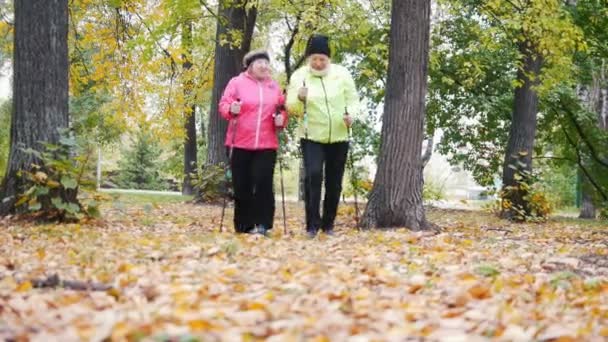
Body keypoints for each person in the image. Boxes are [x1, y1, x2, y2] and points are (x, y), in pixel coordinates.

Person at [286, 34, 361, 238]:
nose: (318, 63)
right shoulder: (299, 76)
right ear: (309, 58)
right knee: (314, 176)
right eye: (314, 59)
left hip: (339, 135)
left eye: (322, 59)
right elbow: (291, 107)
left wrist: (351, 115)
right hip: (311, 136)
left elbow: (353, 100)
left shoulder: (342, 74)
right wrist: (300, 99)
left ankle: (328, 225)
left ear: (329, 59)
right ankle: (312, 224)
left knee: (334, 181)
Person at [219, 49, 287, 236]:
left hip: (267, 144)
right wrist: (231, 109)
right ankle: (244, 226)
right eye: (260, 63)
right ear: (249, 66)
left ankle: (263, 225)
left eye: (266, 63)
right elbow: (224, 105)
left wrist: (281, 118)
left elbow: (281, 109)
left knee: (263, 183)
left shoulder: (274, 86)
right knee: (242, 185)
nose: (264, 66)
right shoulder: (237, 83)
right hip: (239, 142)